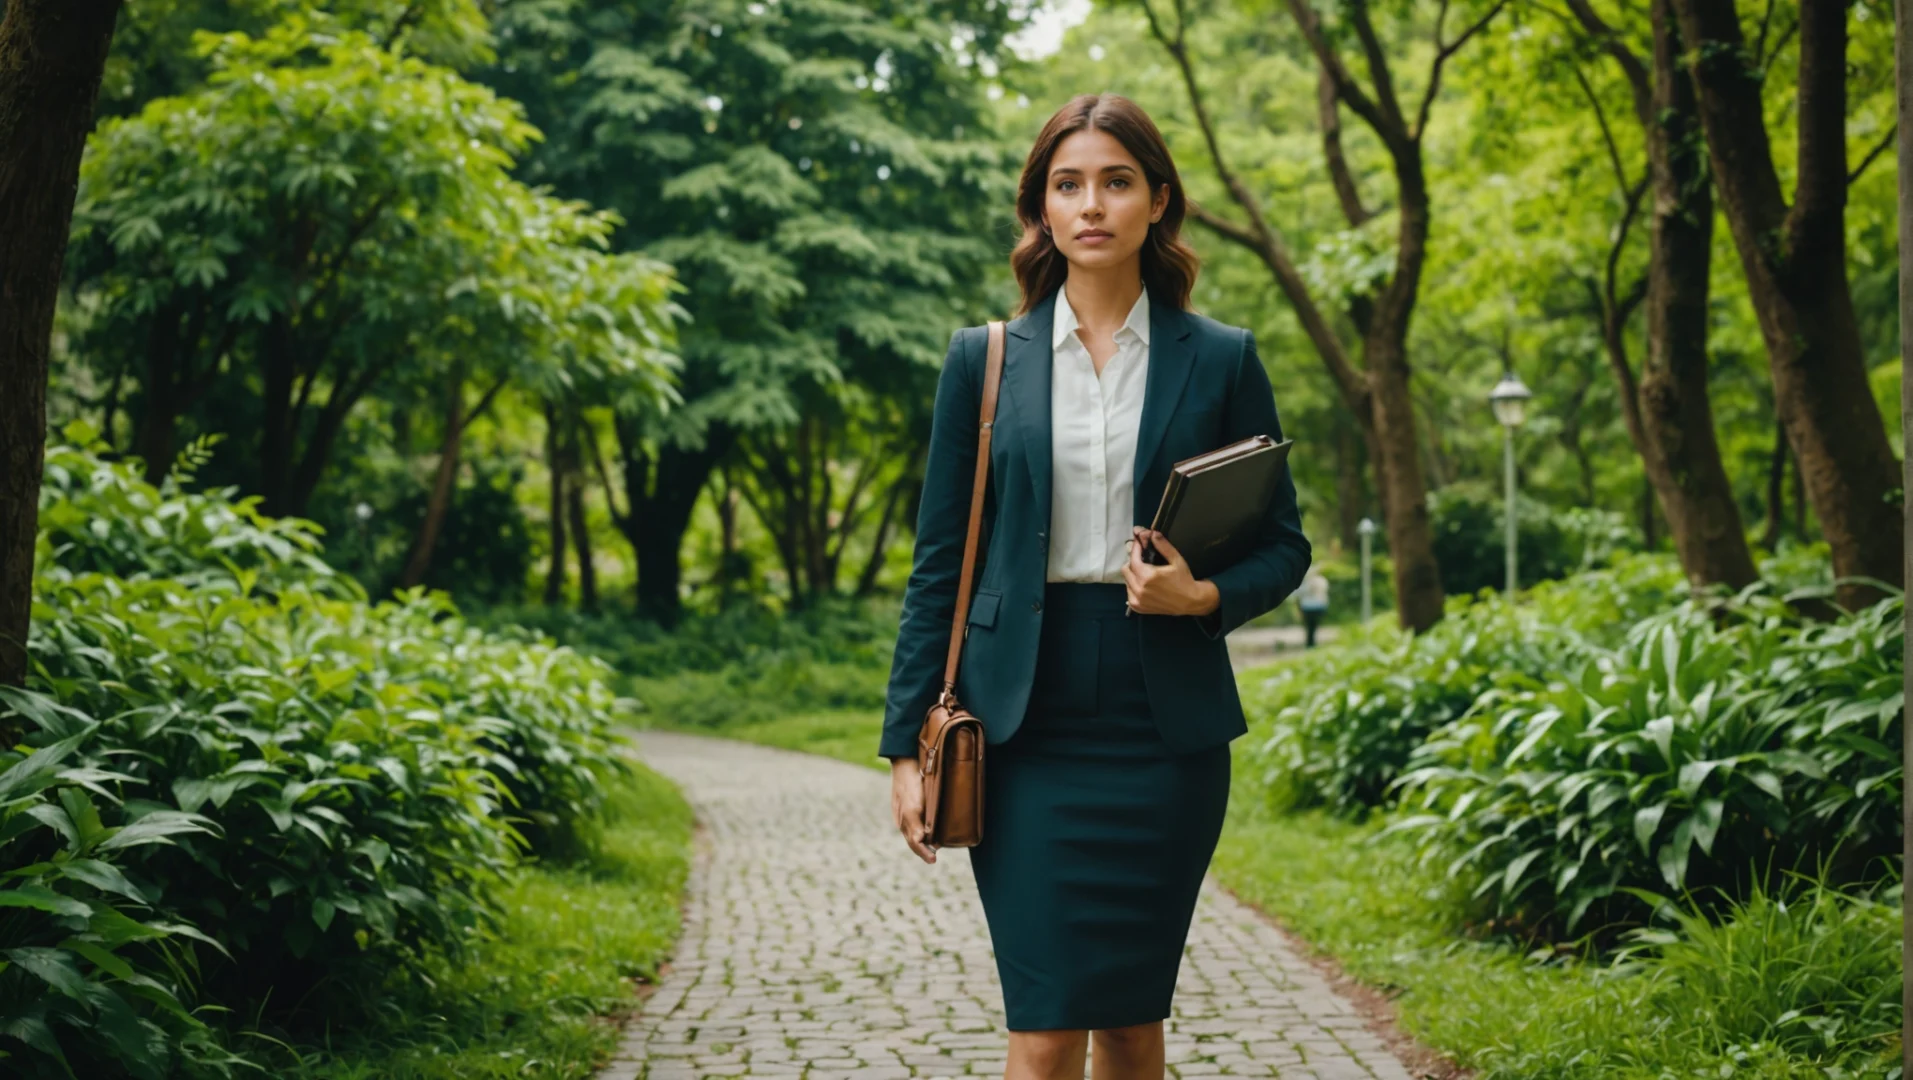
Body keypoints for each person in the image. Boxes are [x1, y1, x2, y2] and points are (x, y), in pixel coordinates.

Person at [876, 93, 1312, 1080]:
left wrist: (1200, 599)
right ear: (1038, 209)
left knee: (1126, 1024)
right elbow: (937, 563)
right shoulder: (981, 361)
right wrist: (904, 742)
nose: (1091, 204)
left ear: (1156, 201)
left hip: (1162, 725)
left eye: (1116, 181)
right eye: (1065, 185)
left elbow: (1283, 547)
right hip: (1018, 727)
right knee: (1042, 1025)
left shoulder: (1223, 360)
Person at [1297, 568, 1330, 648]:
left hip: (1310, 607)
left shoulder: (1308, 582)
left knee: (1310, 626)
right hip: (1314, 606)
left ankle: (1310, 642)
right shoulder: (1321, 581)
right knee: (1312, 626)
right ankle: (1311, 642)